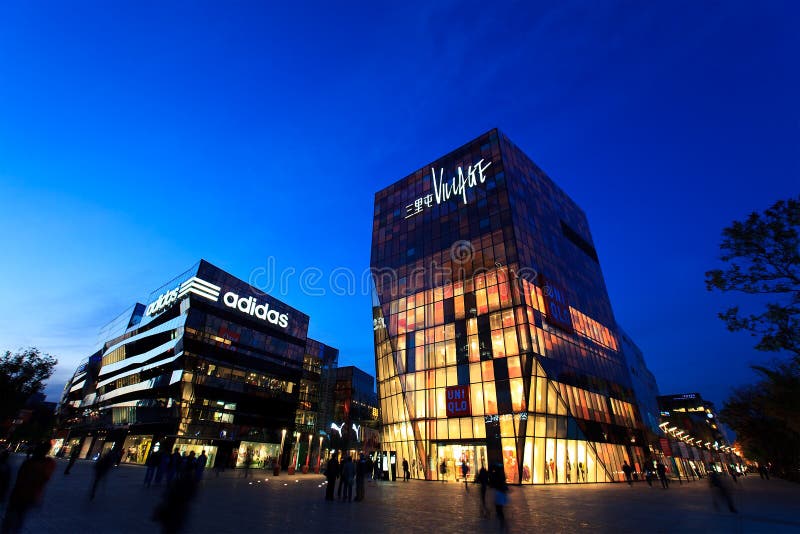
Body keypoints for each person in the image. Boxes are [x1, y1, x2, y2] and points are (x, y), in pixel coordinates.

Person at [1, 442, 56, 534]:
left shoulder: (35, 463)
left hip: (24, 494)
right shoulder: (45, 463)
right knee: (17, 518)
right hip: (27, 495)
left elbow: (21, 478)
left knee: (13, 518)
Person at [489, 463, 509, 532]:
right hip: (501, 493)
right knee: (499, 509)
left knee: (499, 509)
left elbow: (495, 483)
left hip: (500, 493)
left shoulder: (498, 475)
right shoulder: (501, 474)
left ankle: (502, 522)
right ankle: (502, 522)